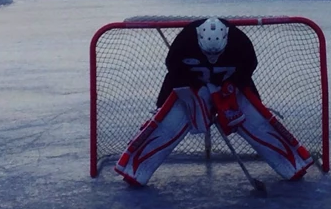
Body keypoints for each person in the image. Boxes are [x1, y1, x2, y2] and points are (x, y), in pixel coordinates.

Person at [114, 16, 315, 186]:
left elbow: (248, 67)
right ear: (199, 39)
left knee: (256, 120)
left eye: (216, 53)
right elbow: (173, 69)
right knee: (168, 122)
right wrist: (194, 88)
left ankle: (293, 164)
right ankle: (135, 169)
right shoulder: (184, 42)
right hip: (195, 87)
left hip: (230, 88)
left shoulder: (240, 42)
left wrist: (229, 88)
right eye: (208, 53)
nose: (212, 58)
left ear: (226, 39)